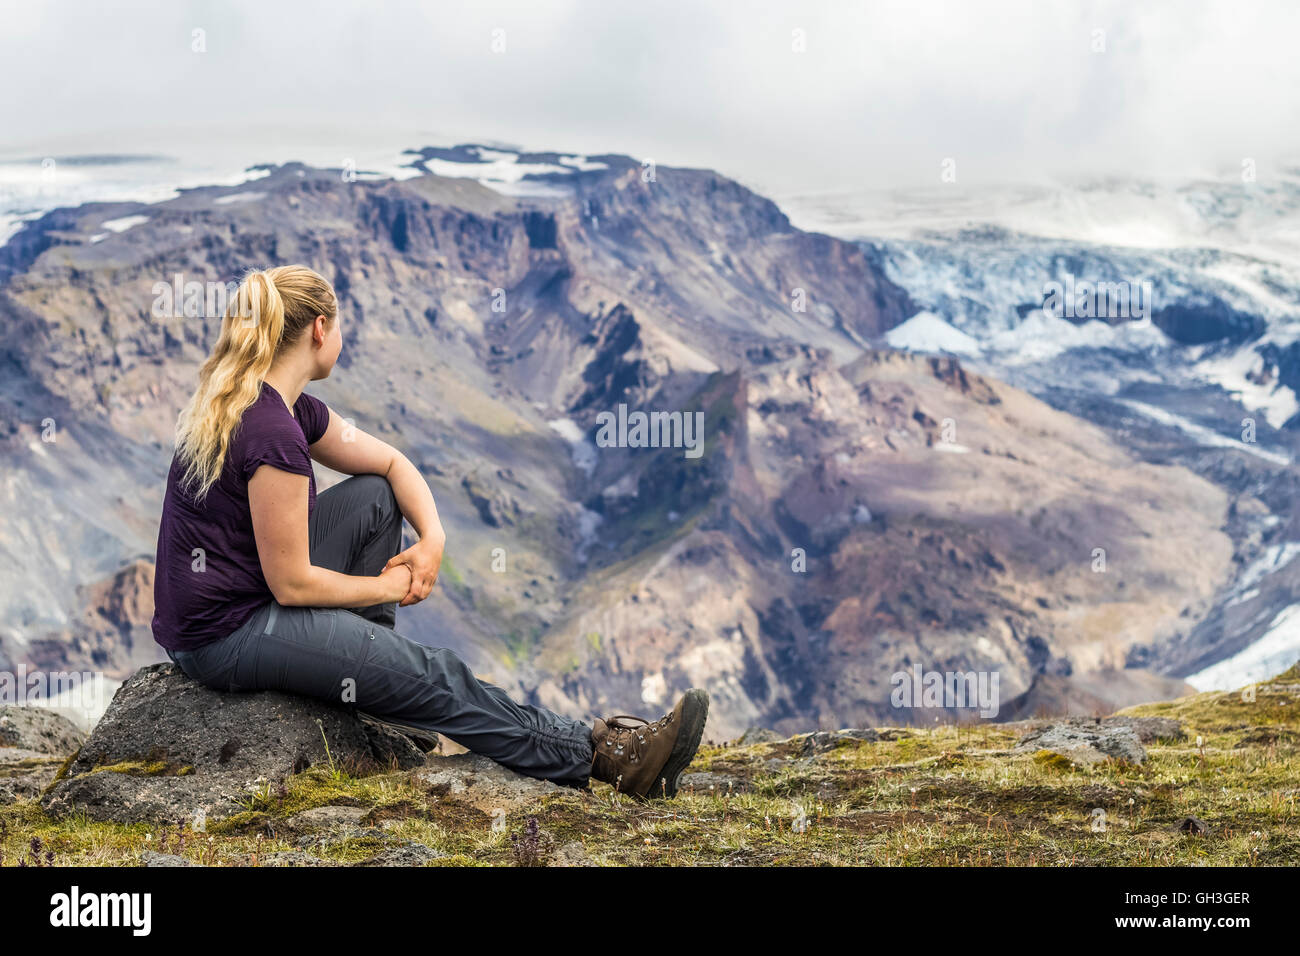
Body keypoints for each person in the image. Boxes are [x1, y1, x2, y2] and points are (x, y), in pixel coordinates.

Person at [150, 264, 708, 797]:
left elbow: (390, 464)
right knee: (434, 674)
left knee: (375, 495)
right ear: (320, 330)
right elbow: (291, 585)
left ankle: (370, 688)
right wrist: (389, 588)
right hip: (226, 635)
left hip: (235, 604)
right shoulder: (273, 431)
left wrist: (432, 538)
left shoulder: (279, 406)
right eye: (339, 323)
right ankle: (609, 759)